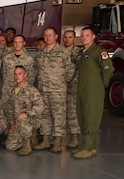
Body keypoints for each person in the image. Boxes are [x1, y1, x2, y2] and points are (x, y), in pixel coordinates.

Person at [73, 27, 113, 159]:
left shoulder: (99, 51)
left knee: (91, 117)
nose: (84, 38)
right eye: (82, 35)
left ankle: (88, 148)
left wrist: (103, 85)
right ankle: (87, 145)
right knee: (82, 115)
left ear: (93, 36)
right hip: (82, 89)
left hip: (93, 89)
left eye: (87, 35)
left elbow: (108, 69)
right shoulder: (80, 52)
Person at [34, 27, 75, 153]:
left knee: (58, 116)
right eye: (45, 35)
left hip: (57, 90)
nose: (48, 37)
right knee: (44, 115)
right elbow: (37, 71)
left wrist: (61, 82)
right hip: (43, 90)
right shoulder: (41, 53)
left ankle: (57, 141)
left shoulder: (63, 52)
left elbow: (70, 70)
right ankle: (46, 140)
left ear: (56, 36)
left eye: (50, 35)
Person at [4, 66, 46, 156]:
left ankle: (27, 145)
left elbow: (40, 106)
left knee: (23, 120)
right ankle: (28, 138)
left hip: (31, 120)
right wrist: (12, 124)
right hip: (18, 122)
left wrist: (27, 114)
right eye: (15, 74)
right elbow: (10, 109)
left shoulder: (32, 90)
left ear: (25, 75)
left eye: (20, 74)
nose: (17, 76)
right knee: (10, 147)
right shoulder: (12, 91)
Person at [62, 29, 82, 149]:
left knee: (72, 113)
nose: (67, 40)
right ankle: (59, 137)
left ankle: (74, 137)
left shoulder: (78, 53)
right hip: (60, 87)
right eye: (65, 37)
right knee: (59, 113)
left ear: (74, 39)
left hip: (73, 87)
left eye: (70, 37)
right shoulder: (60, 52)